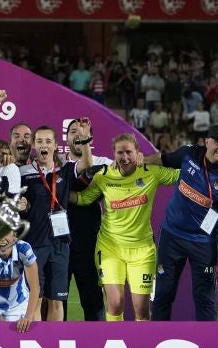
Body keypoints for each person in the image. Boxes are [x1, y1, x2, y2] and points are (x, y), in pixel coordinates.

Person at [144, 124, 218, 321]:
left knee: (205, 298)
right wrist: (140, 161)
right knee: (164, 293)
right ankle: (156, 337)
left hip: (203, 243)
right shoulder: (189, 154)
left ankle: (209, 345)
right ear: (207, 141)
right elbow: (163, 159)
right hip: (172, 236)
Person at [74, 134, 180, 321]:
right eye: (120, 153)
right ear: (114, 154)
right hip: (110, 248)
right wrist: (58, 191)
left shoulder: (151, 172)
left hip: (142, 251)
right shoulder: (104, 176)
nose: (125, 157)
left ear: (137, 152)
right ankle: (115, 346)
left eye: (129, 152)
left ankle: (142, 347)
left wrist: (202, 162)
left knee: (141, 310)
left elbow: (180, 176)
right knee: (115, 304)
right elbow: (84, 198)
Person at [18, 126, 71, 321]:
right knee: (36, 298)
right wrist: (20, 203)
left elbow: (86, 164)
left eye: (48, 141)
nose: (44, 145)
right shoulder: (22, 172)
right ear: (33, 145)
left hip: (60, 243)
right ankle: (36, 344)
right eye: (39, 141)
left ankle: (54, 344)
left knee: (57, 301)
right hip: (34, 243)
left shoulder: (65, 169)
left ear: (56, 145)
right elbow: (13, 200)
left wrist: (83, 139)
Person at [63, 118, 113, 322]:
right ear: (65, 138)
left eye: (82, 131)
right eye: (73, 131)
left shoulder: (104, 163)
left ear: (89, 137)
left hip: (89, 244)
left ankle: (98, 347)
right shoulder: (55, 164)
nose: (77, 134)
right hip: (59, 245)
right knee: (56, 303)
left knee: (93, 303)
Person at [0, 230, 39, 332]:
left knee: (21, 333)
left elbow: (35, 286)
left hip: (17, 303)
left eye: (5, 233)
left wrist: (28, 316)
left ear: (14, 236)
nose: (1, 239)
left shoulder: (23, 250)